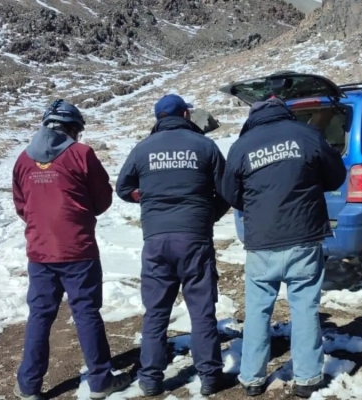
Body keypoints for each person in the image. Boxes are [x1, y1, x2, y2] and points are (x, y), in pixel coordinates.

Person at [221, 97, 347, 398]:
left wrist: (255, 203)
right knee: (304, 307)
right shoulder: (306, 135)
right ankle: (307, 377)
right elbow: (336, 175)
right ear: (286, 112)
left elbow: (229, 192)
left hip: (262, 241)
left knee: (257, 310)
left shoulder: (243, 145)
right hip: (304, 237)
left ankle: (251, 378)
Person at [12, 99, 132, 400]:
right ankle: (101, 381)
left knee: (40, 315)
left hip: (40, 251)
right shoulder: (81, 154)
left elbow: (21, 205)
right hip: (78, 248)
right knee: (87, 312)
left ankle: (28, 386)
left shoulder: (23, 160)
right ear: (73, 128)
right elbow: (102, 198)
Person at [115, 94, 231, 397]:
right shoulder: (205, 146)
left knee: (156, 312)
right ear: (185, 114)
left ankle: (151, 379)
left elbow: (123, 188)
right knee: (202, 310)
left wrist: (148, 200)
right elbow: (228, 190)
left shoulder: (142, 149)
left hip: (156, 241)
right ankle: (209, 377)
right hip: (194, 238)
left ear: (158, 118)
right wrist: (207, 216)